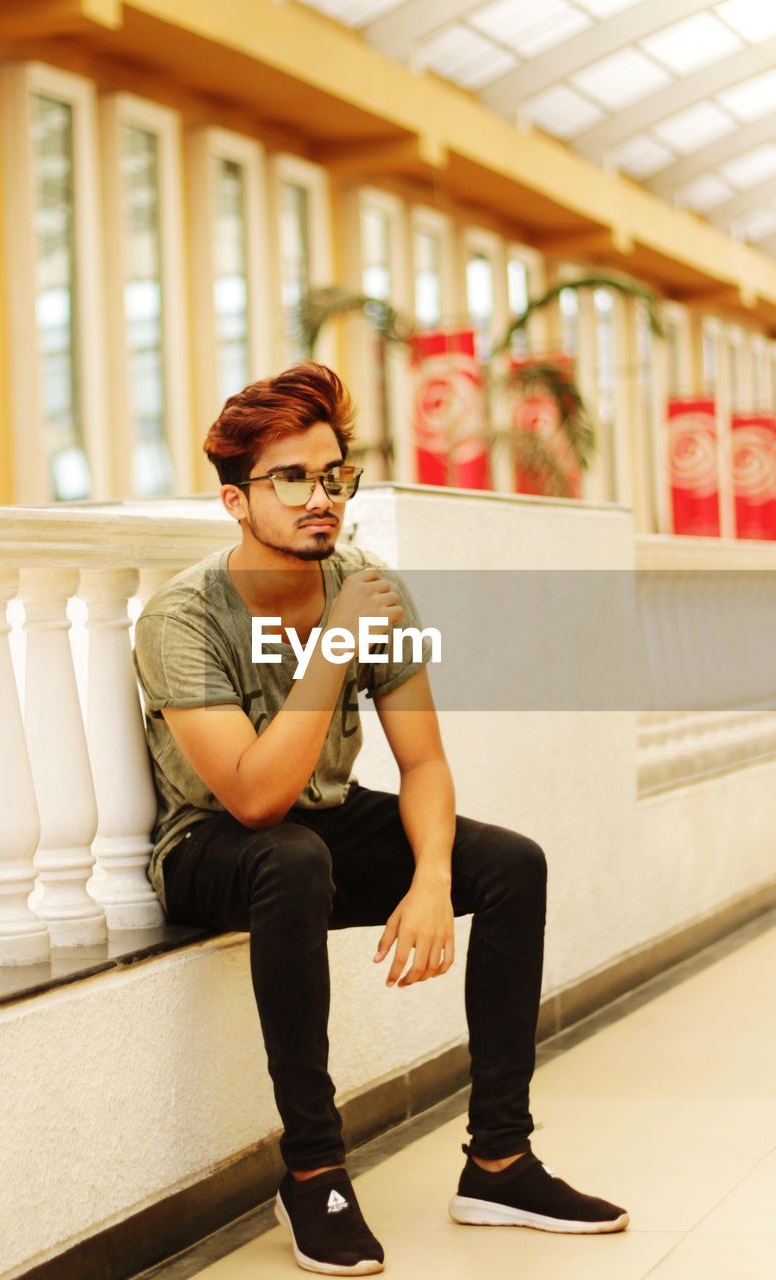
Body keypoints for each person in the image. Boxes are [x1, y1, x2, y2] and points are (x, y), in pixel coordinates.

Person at [132, 362, 629, 1276]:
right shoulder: (182, 618)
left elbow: (424, 764)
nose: (320, 498)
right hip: (210, 844)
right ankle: (315, 1171)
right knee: (290, 858)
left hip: (317, 822)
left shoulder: (367, 583)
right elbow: (251, 796)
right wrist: (331, 646)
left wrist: (433, 878)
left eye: (332, 476)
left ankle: (499, 1162)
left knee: (510, 863)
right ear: (235, 501)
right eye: (291, 478)